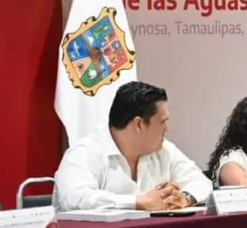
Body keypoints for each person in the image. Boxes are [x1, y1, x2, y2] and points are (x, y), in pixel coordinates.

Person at [53, 81, 212, 212]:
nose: (167, 128)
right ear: (138, 124)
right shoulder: (85, 152)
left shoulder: (163, 150)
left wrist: (183, 198)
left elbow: (202, 182)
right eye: (163, 121)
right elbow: (73, 198)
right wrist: (138, 202)